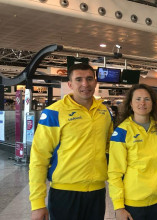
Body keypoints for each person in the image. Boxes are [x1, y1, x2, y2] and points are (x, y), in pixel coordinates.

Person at [29, 63, 113, 220]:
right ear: (70, 84)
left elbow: (110, 149)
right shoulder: (54, 113)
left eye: (89, 79)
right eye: (79, 79)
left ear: (95, 82)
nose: (85, 84)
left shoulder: (104, 112)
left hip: (97, 192)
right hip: (64, 193)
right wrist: (37, 203)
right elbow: (38, 158)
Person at [108, 84, 157, 220]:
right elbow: (115, 172)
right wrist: (118, 206)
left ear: (153, 103)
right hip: (133, 202)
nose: (142, 103)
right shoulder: (122, 132)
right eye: (138, 99)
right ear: (130, 103)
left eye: (147, 99)